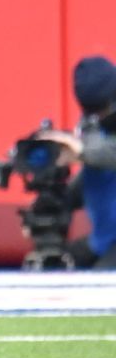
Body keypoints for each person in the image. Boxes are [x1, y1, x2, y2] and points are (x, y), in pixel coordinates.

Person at [37, 55, 116, 269]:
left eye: (101, 109)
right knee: (56, 269)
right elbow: (95, 180)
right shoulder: (94, 127)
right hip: (102, 242)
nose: (97, 116)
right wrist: (52, 202)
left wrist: (80, 149)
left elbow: (109, 153)